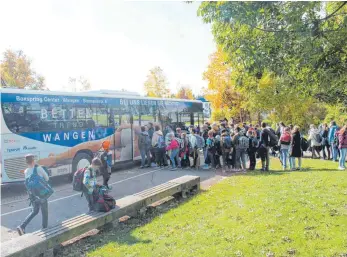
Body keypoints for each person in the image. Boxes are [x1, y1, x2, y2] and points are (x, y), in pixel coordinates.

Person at [17, 154, 50, 236]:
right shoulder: (39, 168)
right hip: (42, 194)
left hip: (33, 195)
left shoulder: (26, 171)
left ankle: (22, 226)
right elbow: (47, 178)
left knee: (34, 211)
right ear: (33, 160)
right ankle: (45, 229)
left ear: (26, 162)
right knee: (44, 212)